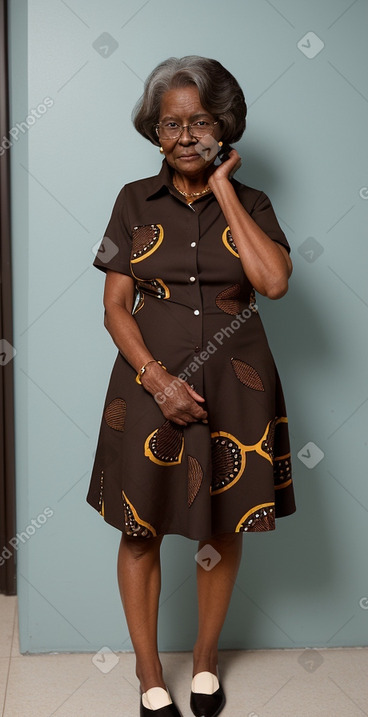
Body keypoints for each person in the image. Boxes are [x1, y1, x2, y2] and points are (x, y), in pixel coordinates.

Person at [87, 56, 296, 717]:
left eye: (199, 121)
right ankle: (149, 672)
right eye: (170, 123)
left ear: (223, 127)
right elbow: (114, 306)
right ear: (154, 130)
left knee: (221, 526)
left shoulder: (255, 201)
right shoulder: (130, 201)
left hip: (238, 388)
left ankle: (206, 661)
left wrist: (226, 185)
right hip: (150, 385)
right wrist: (155, 377)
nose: (183, 135)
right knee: (138, 527)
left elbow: (274, 281)